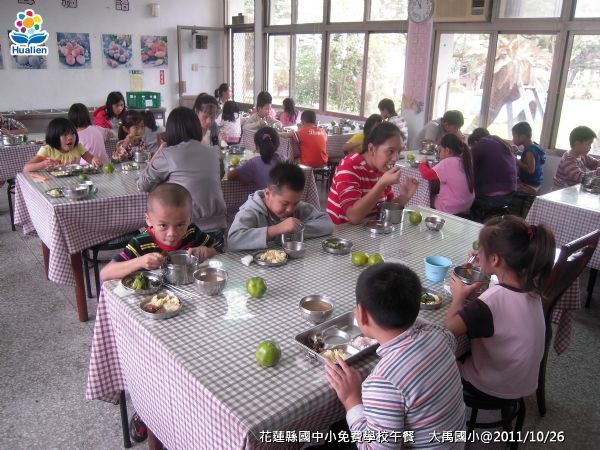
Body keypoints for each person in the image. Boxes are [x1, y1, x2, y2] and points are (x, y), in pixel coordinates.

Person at [325, 263, 466, 449]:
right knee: (341, 428)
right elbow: (443, 337)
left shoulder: (384, 382)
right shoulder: (438, 335)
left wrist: (351, 399)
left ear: (361, 314)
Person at [446, 215, 555, 400]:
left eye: (480, 250)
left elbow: (449, 329)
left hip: (491, 386)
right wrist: (485, 262)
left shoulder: (492, 301)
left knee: (434, 362)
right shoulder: (533, 288)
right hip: (523, 382)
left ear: (495, 259)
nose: (476, 253)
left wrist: (459, 297)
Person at [138, 107, 227, 251]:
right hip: (217, 230)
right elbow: (220, 175)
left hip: (184, 231)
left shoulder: (167, 154)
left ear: (171, 131)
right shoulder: (214, 151)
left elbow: (143, 185)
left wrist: (158, 152)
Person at [101, 182, 216, 281]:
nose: (172, 233)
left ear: (190, 219)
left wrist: (207, 252)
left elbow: (216, 251)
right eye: (163, 225)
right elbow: (105, 273)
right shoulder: (140, 243)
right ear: (148, 220)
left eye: (180, 225)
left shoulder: (191, 232)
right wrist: (140, 262)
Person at [326, 122, 418, 225]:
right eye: (390, 151)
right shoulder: (349, 166)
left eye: (399, 151)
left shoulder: (381, 169)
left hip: (370, 231)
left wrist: (405, 196)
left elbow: (385, 209)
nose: (396, 158)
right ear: (371, 149)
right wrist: (382, 184)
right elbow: (353, 216)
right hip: (342, 232)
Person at [227, 162, 333, 251]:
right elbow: (233, 240)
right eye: (285, 203)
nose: (290, 209)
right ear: (267, 194)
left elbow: (327, 223)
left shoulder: (298, 207)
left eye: (295, 203)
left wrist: (296, 230)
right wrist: (277, 229)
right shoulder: (251, 210)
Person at [418, 133, 475, 215]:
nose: (439, 153)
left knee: (426, 197)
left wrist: (422, 163)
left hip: (452, 207)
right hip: (467, 204)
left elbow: (426, 174)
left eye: (440, 150)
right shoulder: (465, 160)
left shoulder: (448, 162)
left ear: (447, 150)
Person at [468, 127, 517, 222]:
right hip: (509, 194)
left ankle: (475, 227)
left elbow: (467, 164)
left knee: (466, 202)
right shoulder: (500, 142)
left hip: (492, 196)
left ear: (475, 141)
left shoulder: (481, 144)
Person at [23, 118, 102, 172]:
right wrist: (43, 164)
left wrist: (95, 160)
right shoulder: (47, 150)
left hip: (75, 183)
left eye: (72, 134)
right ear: (54, 137)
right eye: (65, 135)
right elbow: (26, 168)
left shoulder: (78, 147)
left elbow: (91, 158)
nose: (70, 137)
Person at [512, 121, 546, 194]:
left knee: (509, 186)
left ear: (522, 137)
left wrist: (516, 160)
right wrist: (518, 151)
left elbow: (530, 170)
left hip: (530, 183)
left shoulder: (529, 151)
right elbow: (529, 158)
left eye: (514, 136)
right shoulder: (534, 146)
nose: (513, 139)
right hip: (536, 181)